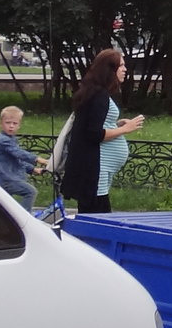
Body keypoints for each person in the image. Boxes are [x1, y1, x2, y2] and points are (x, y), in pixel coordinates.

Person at [60, 49, 144, 215]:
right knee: (98, 216)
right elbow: (93, 134)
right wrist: (124, 129)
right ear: (110, 70)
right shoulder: (99, 96)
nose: (125, 69)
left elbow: (92, 124)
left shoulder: (95, 93)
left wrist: (116, 124)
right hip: (95, 170)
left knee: (95, 214)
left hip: (98, 170)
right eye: (121, 65)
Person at [0, 104, 38, 210]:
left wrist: (32, 169)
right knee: (30, 192)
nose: (11, 126)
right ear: (1, 124)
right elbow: (19, 153)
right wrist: (37, 159)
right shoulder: (3, 140)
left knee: (5, 208)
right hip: (5, 179)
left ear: (19, 125)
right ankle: (24, 217)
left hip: (8, 177)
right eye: (8, 123)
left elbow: (16, 159)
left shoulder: (11, 139)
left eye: (15, 123)